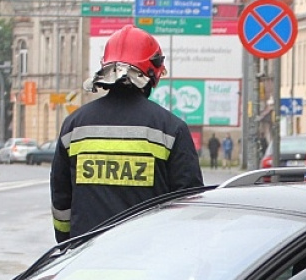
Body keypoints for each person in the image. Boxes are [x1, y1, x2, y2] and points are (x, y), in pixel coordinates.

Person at [50, 26, 203, 242]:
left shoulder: (74, 126)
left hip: (85, 260)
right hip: (149, 260)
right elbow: (189, 203)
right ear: (153, 72)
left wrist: (68, 244)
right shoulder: (171, 128)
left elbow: (61, 199)